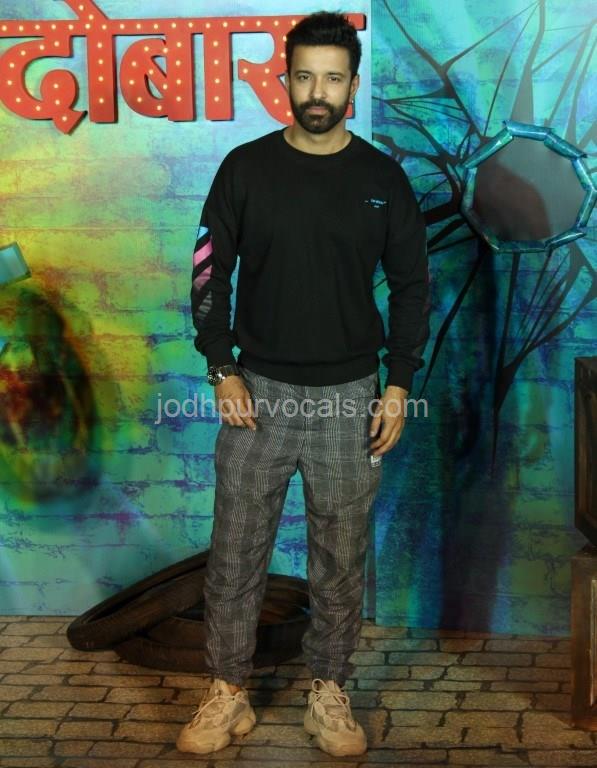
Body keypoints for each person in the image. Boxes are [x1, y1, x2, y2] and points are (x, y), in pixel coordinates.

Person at [177, 10, 430, 759]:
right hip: (256, 393)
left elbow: (413, 286)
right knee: (236, 551)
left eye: (333, 78)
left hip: (353, 395)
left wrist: (397, 385)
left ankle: (328, 691)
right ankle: (227, 690)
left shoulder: (382, 179)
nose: (318, 92)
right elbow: (207, 272)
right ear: (285, 81)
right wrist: (221, 367)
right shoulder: (245, 169)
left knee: (340, 557)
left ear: (352, 85)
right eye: (305, 76)